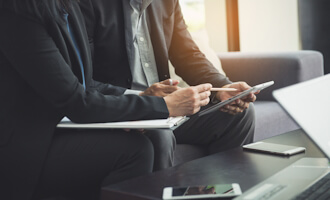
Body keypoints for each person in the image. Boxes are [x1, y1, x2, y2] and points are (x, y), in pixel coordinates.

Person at [0, 0, 212, 199]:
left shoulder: (67, 6)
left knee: (150, 140)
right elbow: (76, 101)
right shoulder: (18, 13)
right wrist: (162, 107)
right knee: (136, 151)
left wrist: (142, 100)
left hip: (63, 125)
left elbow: (87, 84)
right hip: (30, 143)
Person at [79, 0, 257, 170]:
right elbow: (83, 81)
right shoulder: (88, 4)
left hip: (168, 109)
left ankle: (224, 192)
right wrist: (142, 100)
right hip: (124, 110)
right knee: (159, 135)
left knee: (240, 115)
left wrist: (223, 87)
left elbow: (187, 55)